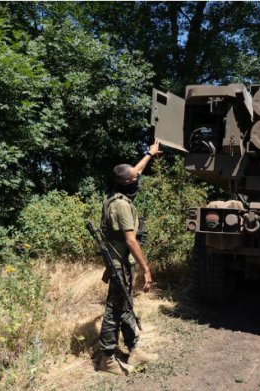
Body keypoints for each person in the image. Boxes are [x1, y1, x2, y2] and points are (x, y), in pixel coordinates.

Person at [98, 139, 161, 376]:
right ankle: (106, 358)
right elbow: (131, 240)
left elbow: (136, 171)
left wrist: (149, 153)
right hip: (119, 263)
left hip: (123, 262)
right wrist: (146, 269)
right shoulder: (121, 206)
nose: (138, 178)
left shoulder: (120, 193)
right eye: (134, 178)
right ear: (126, 183)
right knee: (114, 309)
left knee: (126, 304)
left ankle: (133, 349)